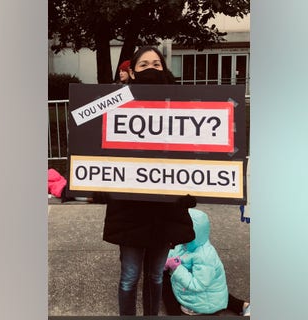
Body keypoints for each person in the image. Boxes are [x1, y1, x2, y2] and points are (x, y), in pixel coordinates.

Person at [94, 46, 196, 316]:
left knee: (155, 276)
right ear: (133, 72)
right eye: (143, 65)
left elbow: (195, 153)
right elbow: (92, 141)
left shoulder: (183, 106)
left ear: (165, 68)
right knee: (129, 276)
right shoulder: (115, 104)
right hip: (129, 209)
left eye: (156, 63)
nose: (151, 68)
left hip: (167, 209)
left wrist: (192, 188)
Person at [162, 208, 251, 316]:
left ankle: (179, 314)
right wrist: (166, 261)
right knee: (164, 276)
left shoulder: (204, 256)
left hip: (203, 301)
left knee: (166, 285)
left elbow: (198, 284)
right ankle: (241, 305)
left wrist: (177, 268)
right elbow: (175, 253)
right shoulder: (186, 243)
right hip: (206, 293)